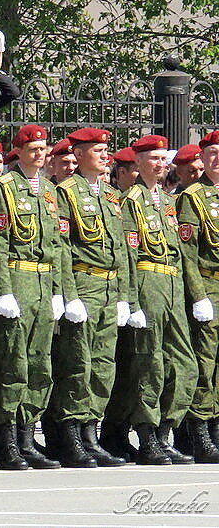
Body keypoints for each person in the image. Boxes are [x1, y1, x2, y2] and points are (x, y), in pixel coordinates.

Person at [0, 124, 73, 470]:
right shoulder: (4, 187)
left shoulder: (49, 191)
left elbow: (57, 246)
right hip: (18, 279)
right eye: (31, 149)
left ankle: (26, 435)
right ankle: (6, 437)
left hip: (43, 281)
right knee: (13, 362)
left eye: (42, 148)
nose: (39, 154)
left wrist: (59, 292)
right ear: (17, 152)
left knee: (39, 363)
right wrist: (3, 289)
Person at [44, 128, 131, 468]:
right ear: (78, 155)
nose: (104, 155)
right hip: (84, 284)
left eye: (106, 149)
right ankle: (71, 435)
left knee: (103, 366)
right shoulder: (65, 193)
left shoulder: (110, 196)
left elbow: (121, 248)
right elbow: (62, 248)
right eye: (97, 150)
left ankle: (91, 432)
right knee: (77, 364)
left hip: (109, 288)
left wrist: (125, 295)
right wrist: (68, 294)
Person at [109, 135, 196, 465]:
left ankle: (165, 430)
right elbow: (128, 254)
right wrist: (130, 300)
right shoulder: (131, 200)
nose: (162, 165)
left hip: (171, 282)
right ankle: (147, 434)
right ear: (139, 162)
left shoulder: (167, 202)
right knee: (150, 363)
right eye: (154, 159)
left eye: (164, 159)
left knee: (184, 364)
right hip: (147, 280)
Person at [175, 130, 219, 463]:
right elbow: (187, 253)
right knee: (206, 360)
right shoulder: (193, 196)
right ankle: (200, 429)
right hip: (209, 286)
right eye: (213, 153)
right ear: (202, 158)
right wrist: (198, 294)